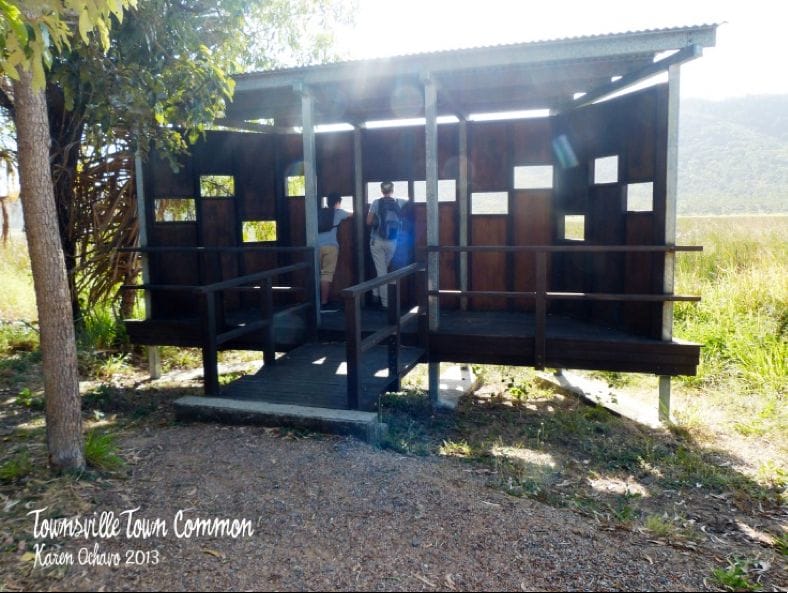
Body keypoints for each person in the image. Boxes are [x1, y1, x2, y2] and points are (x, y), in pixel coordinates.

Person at [366, 181, 406, 309]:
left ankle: (384, 302)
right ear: (392, 190)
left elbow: (368, 221)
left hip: (376, 241)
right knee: (384, 270)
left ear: (381, 190)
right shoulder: (400, 202)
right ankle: (376, 292)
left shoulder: (376, 202)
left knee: (381, 272)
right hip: (392, 242)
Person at [317, 192, 351, 313]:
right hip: (331, 247)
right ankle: (324, 303)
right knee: (326, 274)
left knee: (315, 274)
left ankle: (314, 302)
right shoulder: (338, 212)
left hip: (316, 247)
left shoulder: (319, 212)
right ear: (337, 202)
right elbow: (353, 214)